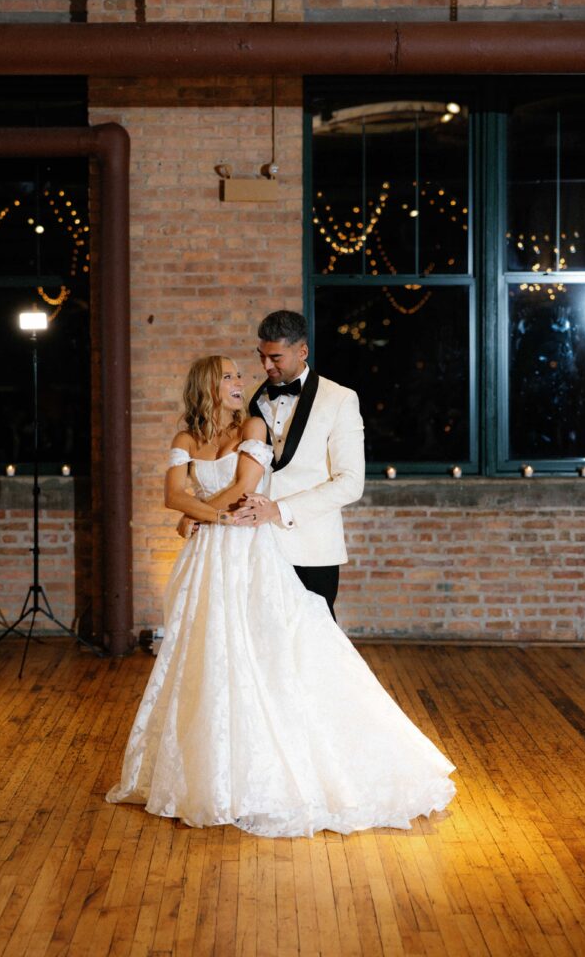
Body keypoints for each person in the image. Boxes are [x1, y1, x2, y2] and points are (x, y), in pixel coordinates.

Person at [106, 354, 456, 837]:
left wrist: (198, 513)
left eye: (240, 373)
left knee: (272, 650)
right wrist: (203, 514)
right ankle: (217, 774)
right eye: (228, 376)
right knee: (210, 655)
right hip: (207, 558)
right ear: (207, 386)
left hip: (248, 548)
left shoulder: (252, 424)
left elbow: (243, 486)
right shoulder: (185, 439)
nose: (241, 380)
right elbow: (172, 497)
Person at [232, 310, 365, 621]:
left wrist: (279, 510)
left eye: (275, 357)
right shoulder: (253, 400)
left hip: (312, 548)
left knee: (315, 649)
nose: (266, 366)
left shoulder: (340, 399)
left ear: (302, 351)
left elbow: (350, 483)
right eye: (262, 356)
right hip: (257, 545)